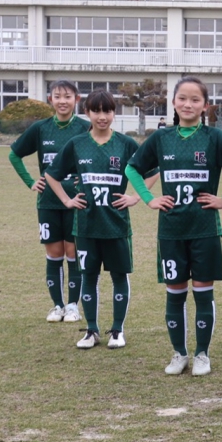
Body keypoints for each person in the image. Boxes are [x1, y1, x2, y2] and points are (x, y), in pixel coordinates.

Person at [126, 76, 222, 376]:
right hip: (171, 230)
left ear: (205, 106)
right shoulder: (161, 138)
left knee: (203, 293)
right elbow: (132, 167)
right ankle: (179, 353)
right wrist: (148, 199)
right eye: (183, 98)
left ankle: (202, 354)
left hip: (204, 229)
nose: (188, 104)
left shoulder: (214, 138)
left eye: (195, 100)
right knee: (175, 293)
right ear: (174, 103)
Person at [44, 89, 143, 350]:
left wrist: (135, 197)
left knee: (119, 276)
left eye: (108, 110)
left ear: (114, 113)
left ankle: (118, 331)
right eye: (96, 111)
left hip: (116, 225)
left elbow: (151, 169)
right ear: (87, 112)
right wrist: (67, 200)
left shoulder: (125, 144)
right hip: (86, 226)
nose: (102, 116)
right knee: (88, 276)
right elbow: (52, 175)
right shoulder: (77, 144)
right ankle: (91, 331)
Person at [9, 80, 91, 323]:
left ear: (77, 99)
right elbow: (14, 154)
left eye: (67, 96)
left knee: (73, 253)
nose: (62, 101)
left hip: (77, 201)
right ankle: (57, 305)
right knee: (54, 254)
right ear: (50, 100)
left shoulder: (86, 128)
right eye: (57, 96)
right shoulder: (40, 128)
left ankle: (73, 305)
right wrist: (31, 181)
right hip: (48, 201)